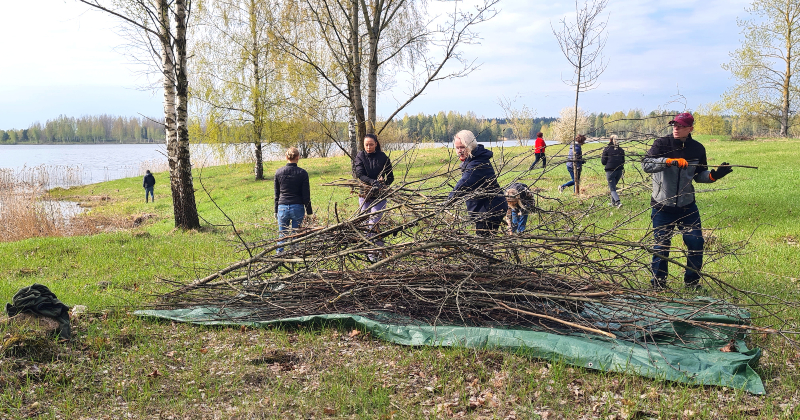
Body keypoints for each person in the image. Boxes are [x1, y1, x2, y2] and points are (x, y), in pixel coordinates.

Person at [642, 112, 733, 289]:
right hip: (662, 206)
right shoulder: (661, 144)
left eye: (681, 126)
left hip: (687, 207)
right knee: (661, 246)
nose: (676, 128)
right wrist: (668, 161)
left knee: (696, 242)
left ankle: (691, 283)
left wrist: (714, 175)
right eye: (674, 125)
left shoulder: (697, 149)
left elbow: (699, 175)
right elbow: (646, 165)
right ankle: (658, 284)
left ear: (690, 128)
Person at [449, 129, 508, 236]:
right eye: (457, 148)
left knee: (484, 241)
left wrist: (450, 199)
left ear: (470, 145)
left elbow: (465, 182)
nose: (459, 151)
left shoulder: (477, 163)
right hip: (485, 207)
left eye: (462, 147)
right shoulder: (474, 159)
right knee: (485, 240)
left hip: (490, 208)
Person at [353, 134, 395, 259]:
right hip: (364, 194)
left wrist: (383, 184)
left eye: (371, 144)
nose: (368, 147)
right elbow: (359, 174)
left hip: (379, 196)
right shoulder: (360, 156)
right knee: (367, 225)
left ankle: (372, 255)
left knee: (373, 222)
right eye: (366, 144)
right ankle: (376, 251)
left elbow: (391, 177)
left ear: (376, 143)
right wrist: (372, 182)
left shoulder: (383, 157)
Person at [274, 147, 313, 253]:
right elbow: (306, 195)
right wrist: (309, 212)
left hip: (282, 207)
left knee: (282, 236)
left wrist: (275, 210)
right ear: (298, 157)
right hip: (297, 207)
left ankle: (279, 255)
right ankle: (294, 256)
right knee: (296, 236)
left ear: (286, 157)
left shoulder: (278, 172)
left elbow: (277, 194)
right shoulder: (302, 173)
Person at [601, 135, 625, 207]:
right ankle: (613, 203)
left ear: (610, 140)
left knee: (612, 189)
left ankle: (618, 203)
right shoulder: (621, 150)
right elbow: (623, 161)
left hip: (610, 171)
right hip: (619, 171)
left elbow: (603, 162)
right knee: (613, 187)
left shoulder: (607, 149)